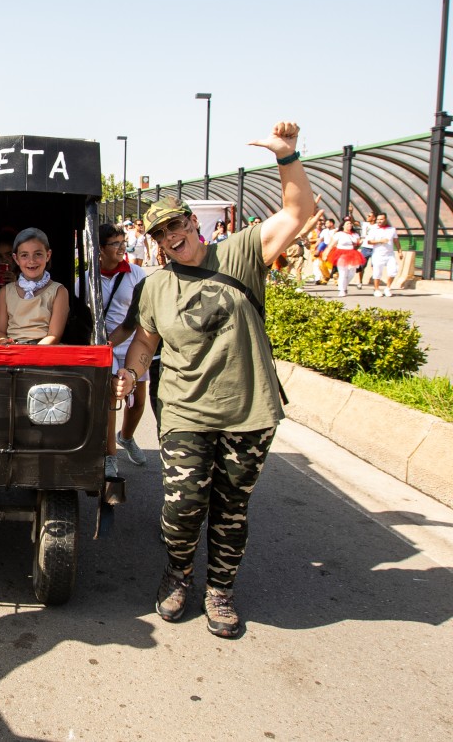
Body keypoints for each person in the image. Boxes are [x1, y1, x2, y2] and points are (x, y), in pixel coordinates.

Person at [113, 121, 315, 639]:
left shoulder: (240, 253)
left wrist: (287, 157)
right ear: (155, 243)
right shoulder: (156, 286)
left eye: (176, 224)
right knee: (182, 505)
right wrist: (132, 373)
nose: (170, 236)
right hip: (184, 409)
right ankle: (178, 573)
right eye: (159, 233)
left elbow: (298, 213)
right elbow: (146, 341)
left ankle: (220, 589)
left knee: (231, 509)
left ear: (192, 223)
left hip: (249, 410)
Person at [98, 223, 148, 479]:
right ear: (99, 249)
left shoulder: (137, 274)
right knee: (111, 401)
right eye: (115, 244)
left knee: (138, 401)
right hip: (104, 346)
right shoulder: (85, 279)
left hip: (133, 344)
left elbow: (136, 320)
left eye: (122, 242)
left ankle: (126, 438)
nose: (121, 248)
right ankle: (109, 455)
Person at [0, 227, 68, 345]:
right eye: (24, 255)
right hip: (12, 352)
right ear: (16, 259)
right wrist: (5, 342)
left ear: (48, 255)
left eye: (38, 254)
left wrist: (31, 353)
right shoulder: (5, 292)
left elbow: (54, 335)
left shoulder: (59, 291)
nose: (31, 261)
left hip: (44, 353)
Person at [328, 219, 365, 297]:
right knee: (343, 273)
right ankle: (341, 290)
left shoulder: (355, 234)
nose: (350, 225)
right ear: (343, 225)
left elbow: (357, 243)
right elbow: (331, 244)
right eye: (348, 224)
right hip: (341, 253)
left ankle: (344, 286)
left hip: (352, 254)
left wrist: (360, 242)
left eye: (350, 224)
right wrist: (326, 252)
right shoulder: (339, 234)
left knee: (352, 272)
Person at [367, 213, 401, 298]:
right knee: (377, 272)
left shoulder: (392, 229)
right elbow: (369, 241)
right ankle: (377, 289)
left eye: (381, 219)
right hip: (378, 254)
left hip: (390, 254)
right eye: (378, 219)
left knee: (393, 270)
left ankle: (388, 288)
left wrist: (400, 251)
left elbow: (396, 241)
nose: (379, 221)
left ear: (385, 219)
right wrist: (380, 241)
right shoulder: (374, 229)